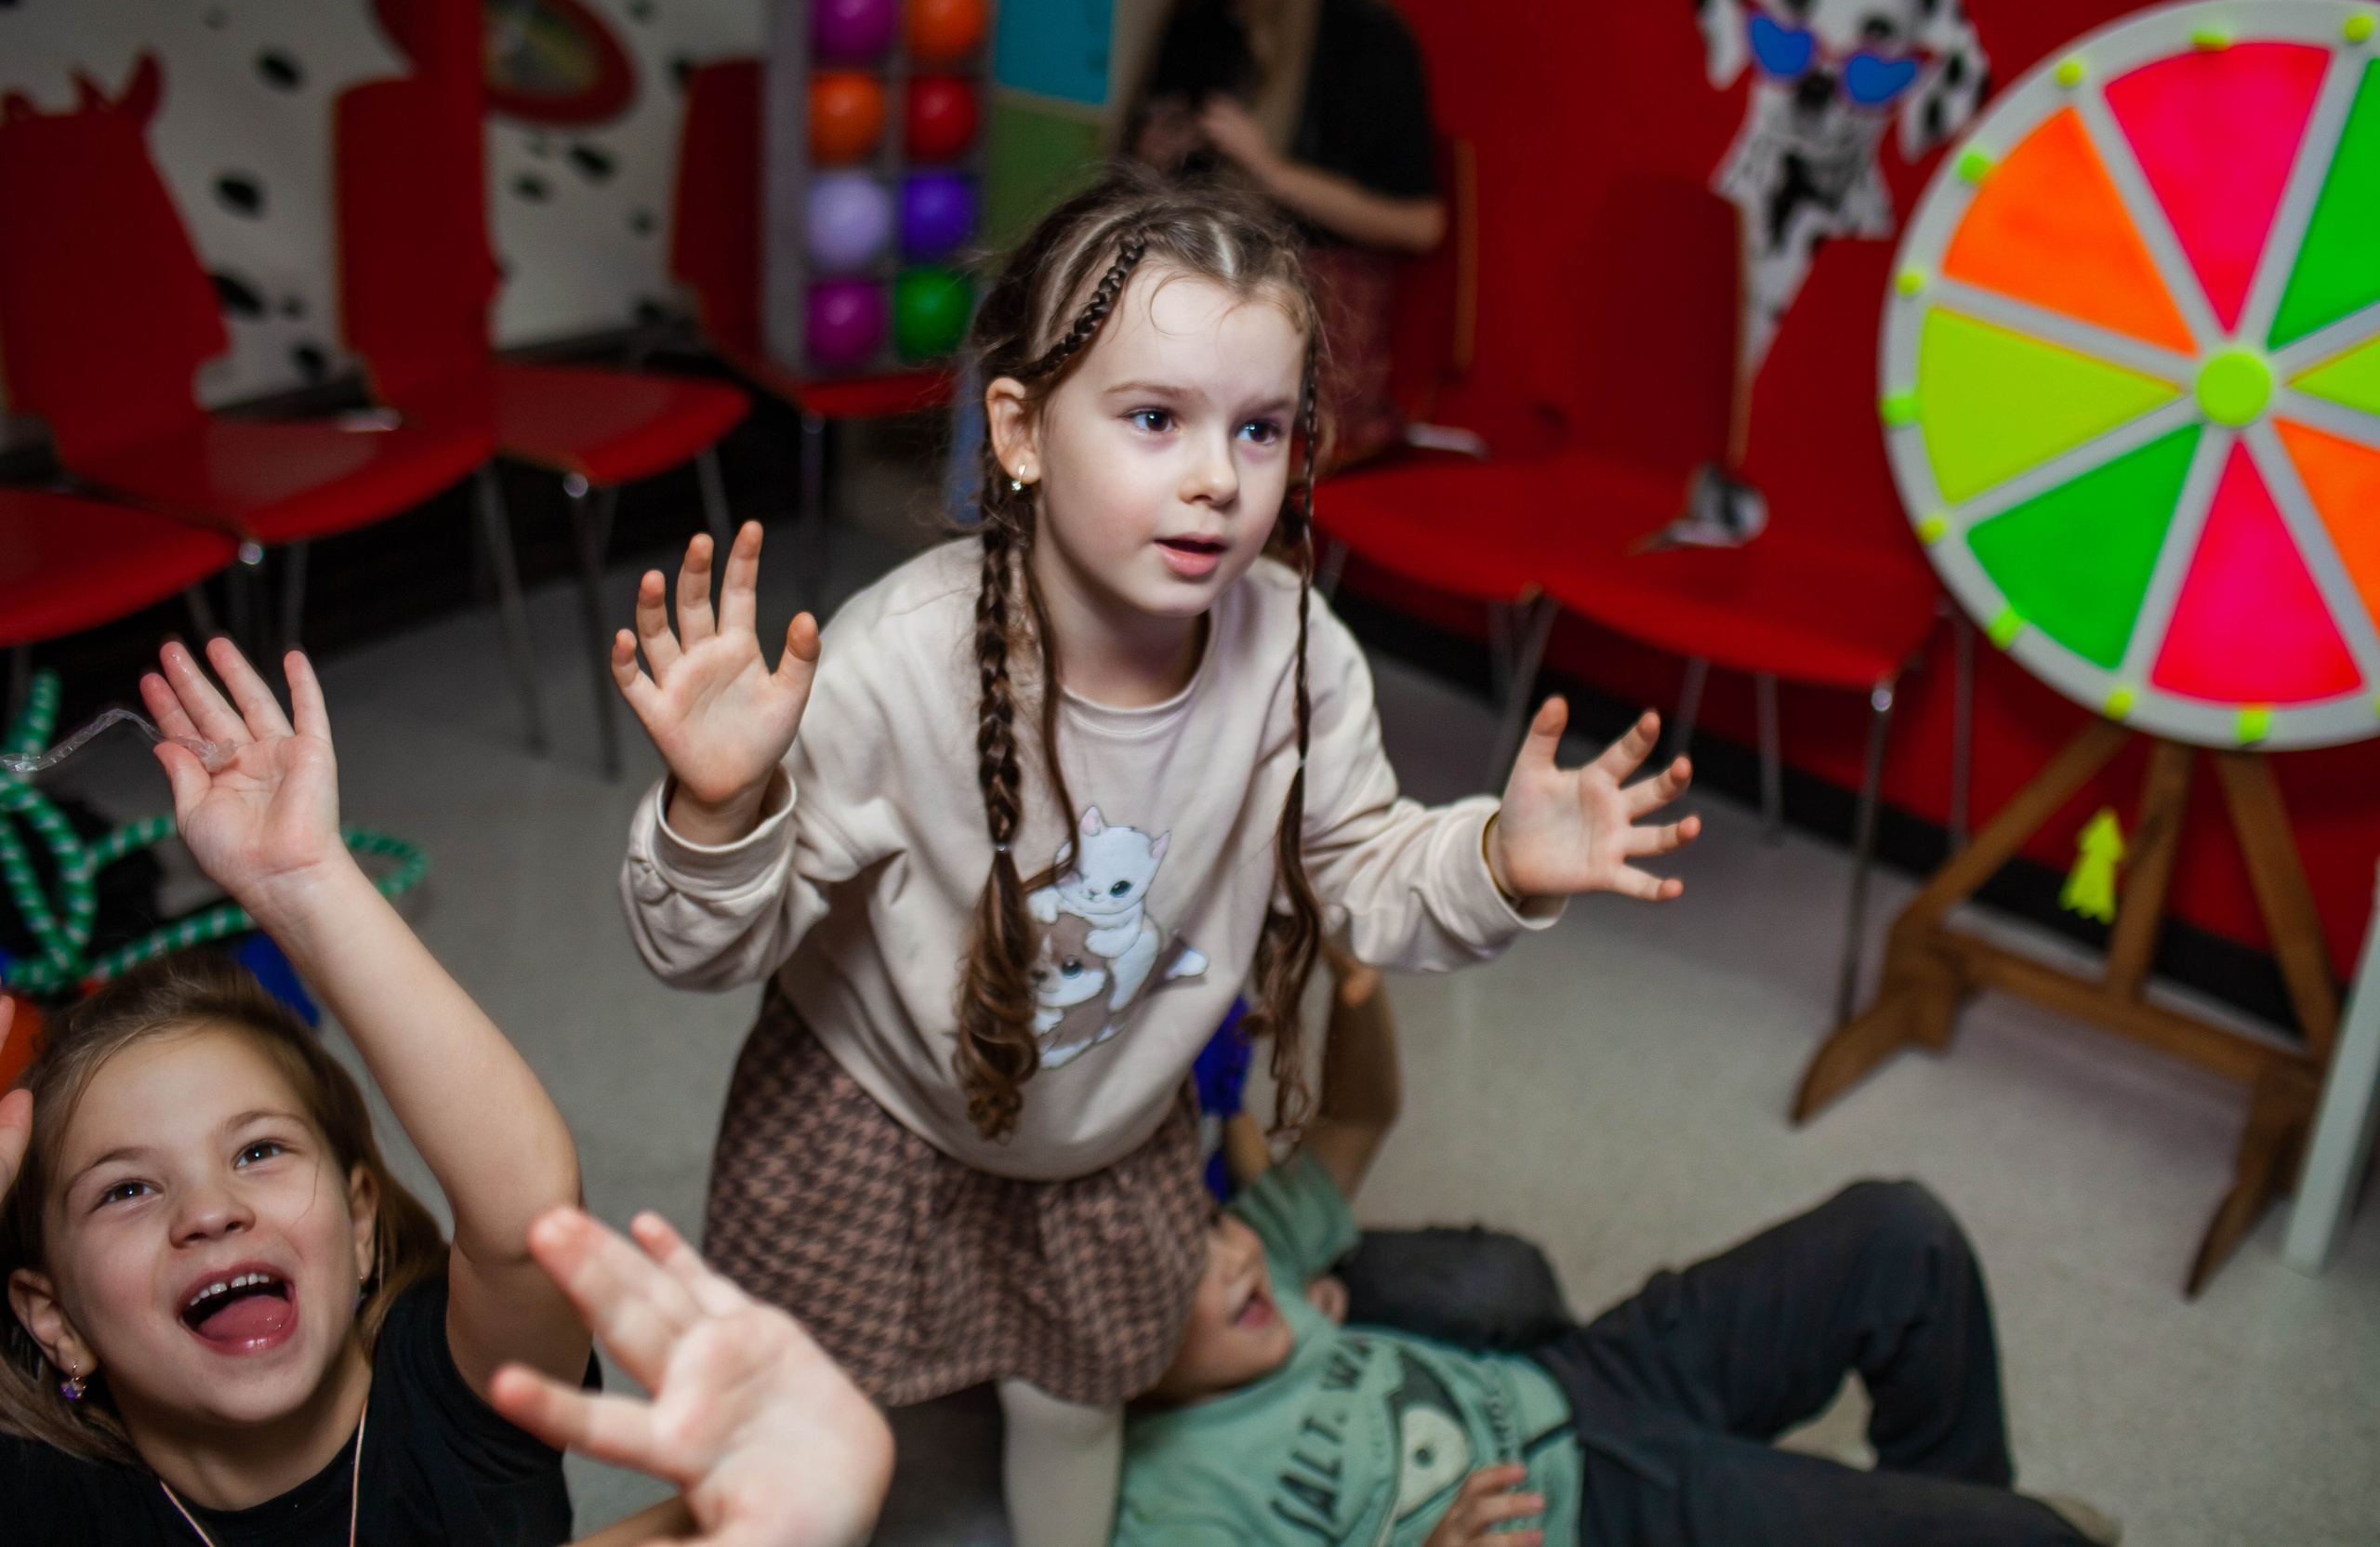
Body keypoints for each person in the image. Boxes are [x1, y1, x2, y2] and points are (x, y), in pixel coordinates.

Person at [615, 167, 1699, 1547]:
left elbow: (1369, 871)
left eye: (1259, 430)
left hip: (1108, 1137)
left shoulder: (1297, 652)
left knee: (1078, 1404)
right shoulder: (894, 661)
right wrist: (715, 809)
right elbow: (695, 948)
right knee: (820, 1433)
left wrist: (1497, 854)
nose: (1213, 477)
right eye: (1152, 418)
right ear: (1018, 429)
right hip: (867, 1121)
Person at [0, 637, 890, 1545]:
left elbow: (527, 1213)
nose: (210, 1210)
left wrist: (307, 884)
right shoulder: (43, 1499)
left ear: (358, 1226)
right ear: (54, 1319)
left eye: (259, 1150)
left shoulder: (449, 1394)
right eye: (126, 1189)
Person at [1117, 964, 2123, 1547]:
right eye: (1182, 1281)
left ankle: (1964, 1505)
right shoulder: (1170, 1505)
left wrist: (1353, 977)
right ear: (1097, 1352)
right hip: (1598, 1518)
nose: (1234, 1261)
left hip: (1583, 1378)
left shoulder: (1258, 1267)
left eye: (1209, 1234)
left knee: (1901, 1236)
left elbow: (1361, 1113)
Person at [1131, 0, 1445, 464]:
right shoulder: (1200, 19)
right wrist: (1154, 155)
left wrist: (1268, 171)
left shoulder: (1364, 34)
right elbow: (1140, 181)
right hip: (1205, 281)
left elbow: (1421, 225)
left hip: (1309, 308)